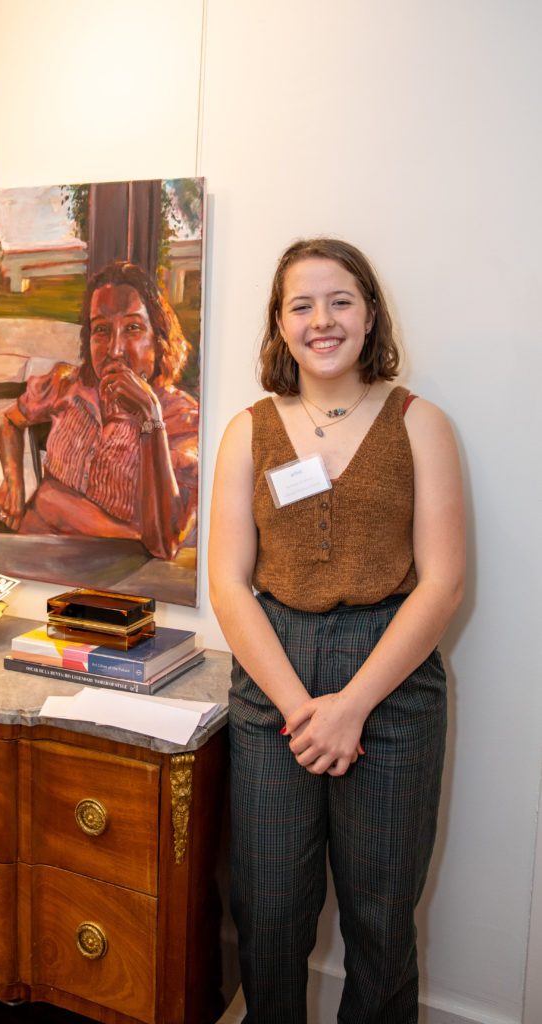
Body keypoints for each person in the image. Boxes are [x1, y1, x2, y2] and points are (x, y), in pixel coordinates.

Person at [209, 238, 465, 1023]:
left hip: (390, 684)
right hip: (270, 684)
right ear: (279, 325)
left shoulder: (421, 424)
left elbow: (444, 581)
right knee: (269, 911)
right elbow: (227, 582)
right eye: (301, 304)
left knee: (383, 920)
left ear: (370, 313)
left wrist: (351, 705)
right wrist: (298, 708)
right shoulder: (247, 431)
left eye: (341, 300)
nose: (322, 319)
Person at [0, 261, 198, 560]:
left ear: (159, 338)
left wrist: (150, 419)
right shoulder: (67, 384)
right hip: (33, 554)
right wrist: (13, 480)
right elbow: (8, 420)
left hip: (112, 576)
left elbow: (163, 543)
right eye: (101, 329)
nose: (114, 349)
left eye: (132, 328)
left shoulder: (181, 419)